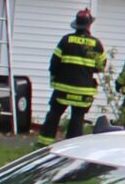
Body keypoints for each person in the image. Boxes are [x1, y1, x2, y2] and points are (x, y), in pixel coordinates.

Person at [43, 7, 106, 139]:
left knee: (54, 114)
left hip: (63, 88)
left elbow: (54, 63)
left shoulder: (66, 40)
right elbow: (100, 67)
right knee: (78, 117)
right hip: (84, 89)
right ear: (89, 25)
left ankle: (44, 143)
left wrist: (54, 78)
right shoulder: (96, 44)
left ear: (76, 25)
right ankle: (71, 145)